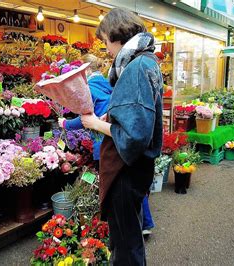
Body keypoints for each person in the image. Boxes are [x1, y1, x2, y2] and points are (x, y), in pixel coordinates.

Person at [81, 8, 163, 265]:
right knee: (130, 236)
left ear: (118, 34)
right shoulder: (146, 61)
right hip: (137, 169)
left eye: (105, 41)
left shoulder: (136, 67)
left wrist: (96, 123)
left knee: (126, 246)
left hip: (126, 169)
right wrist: (112, 117)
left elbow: (135, 134)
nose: (105, 49)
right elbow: (139, 114)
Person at [58, 54, 113, 168]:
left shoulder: (89, 89)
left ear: (87, 70)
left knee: (102, 177)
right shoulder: (107, 84)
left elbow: (85, 118)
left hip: (101, 142)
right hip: (112, 141)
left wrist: (65, 123)